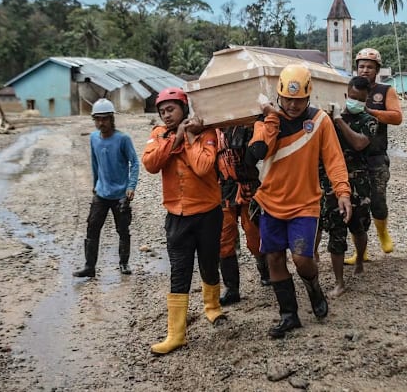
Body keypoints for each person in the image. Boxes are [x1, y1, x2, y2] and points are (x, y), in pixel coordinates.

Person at [247, 64, 352, 339]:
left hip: (305, 204)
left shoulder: (319, 121)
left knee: (302, 258)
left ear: (309, 96)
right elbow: (258, 150)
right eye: (288, 99)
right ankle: (288, 314)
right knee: (274, 257)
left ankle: (313, 287)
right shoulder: (267, 121)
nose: (293, 105)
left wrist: (342, 191)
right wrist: (270, 117)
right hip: (270, 202)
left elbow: (334, 159)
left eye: (299, 100)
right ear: (279, 95)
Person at [143, 87, 225, 355]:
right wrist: (174, 140)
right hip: (177, 216)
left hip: (208, 213)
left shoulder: (207, 133)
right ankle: (176, 334)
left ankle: (212, 308)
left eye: (171, 109)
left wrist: (188, 138)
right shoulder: (158, 135)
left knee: (209, 263)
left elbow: (203, 167)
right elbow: (151, 164)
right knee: (179, 272)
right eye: (163, 111)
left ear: (184, 109)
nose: (167, 115)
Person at [343, 48, 403, 264]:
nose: (365, 70)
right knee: (356, 205)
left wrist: (368, 111)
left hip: (376, 155)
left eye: (369, 66)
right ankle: (361, 251)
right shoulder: (350, 88)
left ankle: (383, 233)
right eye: (361, 66)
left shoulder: (385, 91)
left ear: (377, 69)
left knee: (378, 201)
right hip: (352, 158)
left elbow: (397, 117)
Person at [320, 76, 377, 297]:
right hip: (332, 182)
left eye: (360, 99)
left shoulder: (369, 120)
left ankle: (360, 260)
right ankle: (339, 282)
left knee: (359, 227)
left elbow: (359, 143)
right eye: (352, 97)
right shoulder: (328, 117)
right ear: (346, 94)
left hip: (358, 183)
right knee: (336, 230)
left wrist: (339, 121)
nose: (355, 102)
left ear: (366, 99)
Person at [72, 98, 139, 278]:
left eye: (105, 119)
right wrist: (95, 185)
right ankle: (89, 266)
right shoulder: (94, 138)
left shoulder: (123, 139)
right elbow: (95, 163)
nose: (101, 123)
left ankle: (124, 263)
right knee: (92, 228)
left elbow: (135, 163)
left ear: (111, 119)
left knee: (123, 229)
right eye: (98, 119)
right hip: (101, 193)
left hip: (120, 195)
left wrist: (131, 186)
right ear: (94, 120)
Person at [215, 125, 268, 306]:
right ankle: (232, 289)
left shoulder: (250, 126)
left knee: (255, 236)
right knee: (224, 240)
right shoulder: (211, 132)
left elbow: (258, 155)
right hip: (224, 189)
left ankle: (265, 271)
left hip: (249, 187)